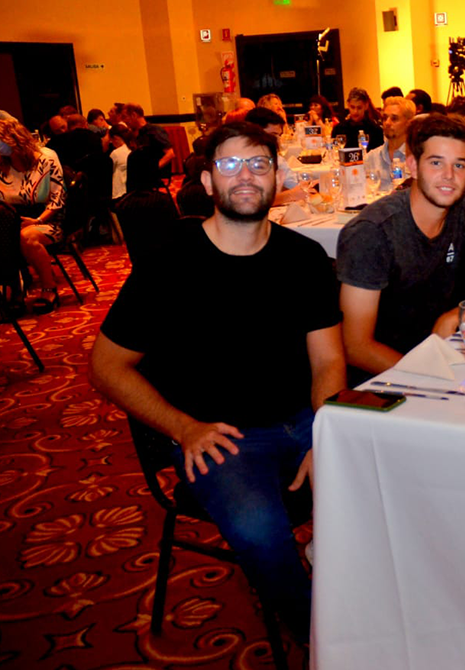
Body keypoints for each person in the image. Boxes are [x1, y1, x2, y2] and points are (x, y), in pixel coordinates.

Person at [90, 120, 344, 643]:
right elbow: (106, 366)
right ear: (208, 181)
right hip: (221, 435)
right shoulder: (169, 263)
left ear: (276, 177)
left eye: (258, 164)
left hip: (303, 418)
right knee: (259, 531)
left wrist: (327, 432)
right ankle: (321, 636)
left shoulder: (304, 258)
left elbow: (327, 361)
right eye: (230, 164)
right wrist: (183, 428)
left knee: (387, 484)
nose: (245, 176)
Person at [337, 113, 465, 374]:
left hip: (449, 357)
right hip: (387, 375)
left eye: (459, 165)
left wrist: (461, 314)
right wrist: (429, 375)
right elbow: (356, 347)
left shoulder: (464, 209)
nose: (449, 175)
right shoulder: (371, 232)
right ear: (413, 165)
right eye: (436, 163)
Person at [0, 119, 65, 313]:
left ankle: (48, 288)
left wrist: (37, 220)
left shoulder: (46, 158)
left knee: (25, 237)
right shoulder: (2, 163)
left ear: (13, 140)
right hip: (10, 220)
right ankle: (15, 289)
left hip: (47, 218)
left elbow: (57, 200)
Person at [244, 108, 312, 206]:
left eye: (279, 135)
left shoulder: (274, 156)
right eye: (273, 135)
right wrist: (290, 195)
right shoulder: (241, 160)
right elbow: (252, 201)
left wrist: (305, 188)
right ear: (254, 131)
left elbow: (293, 184)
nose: (277, 140)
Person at [364, 96, 417, 190]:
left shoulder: (417, 157)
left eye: (394, 119)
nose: (387, 123)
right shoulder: (371, 157)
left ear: (409, 123)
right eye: (385, 118)